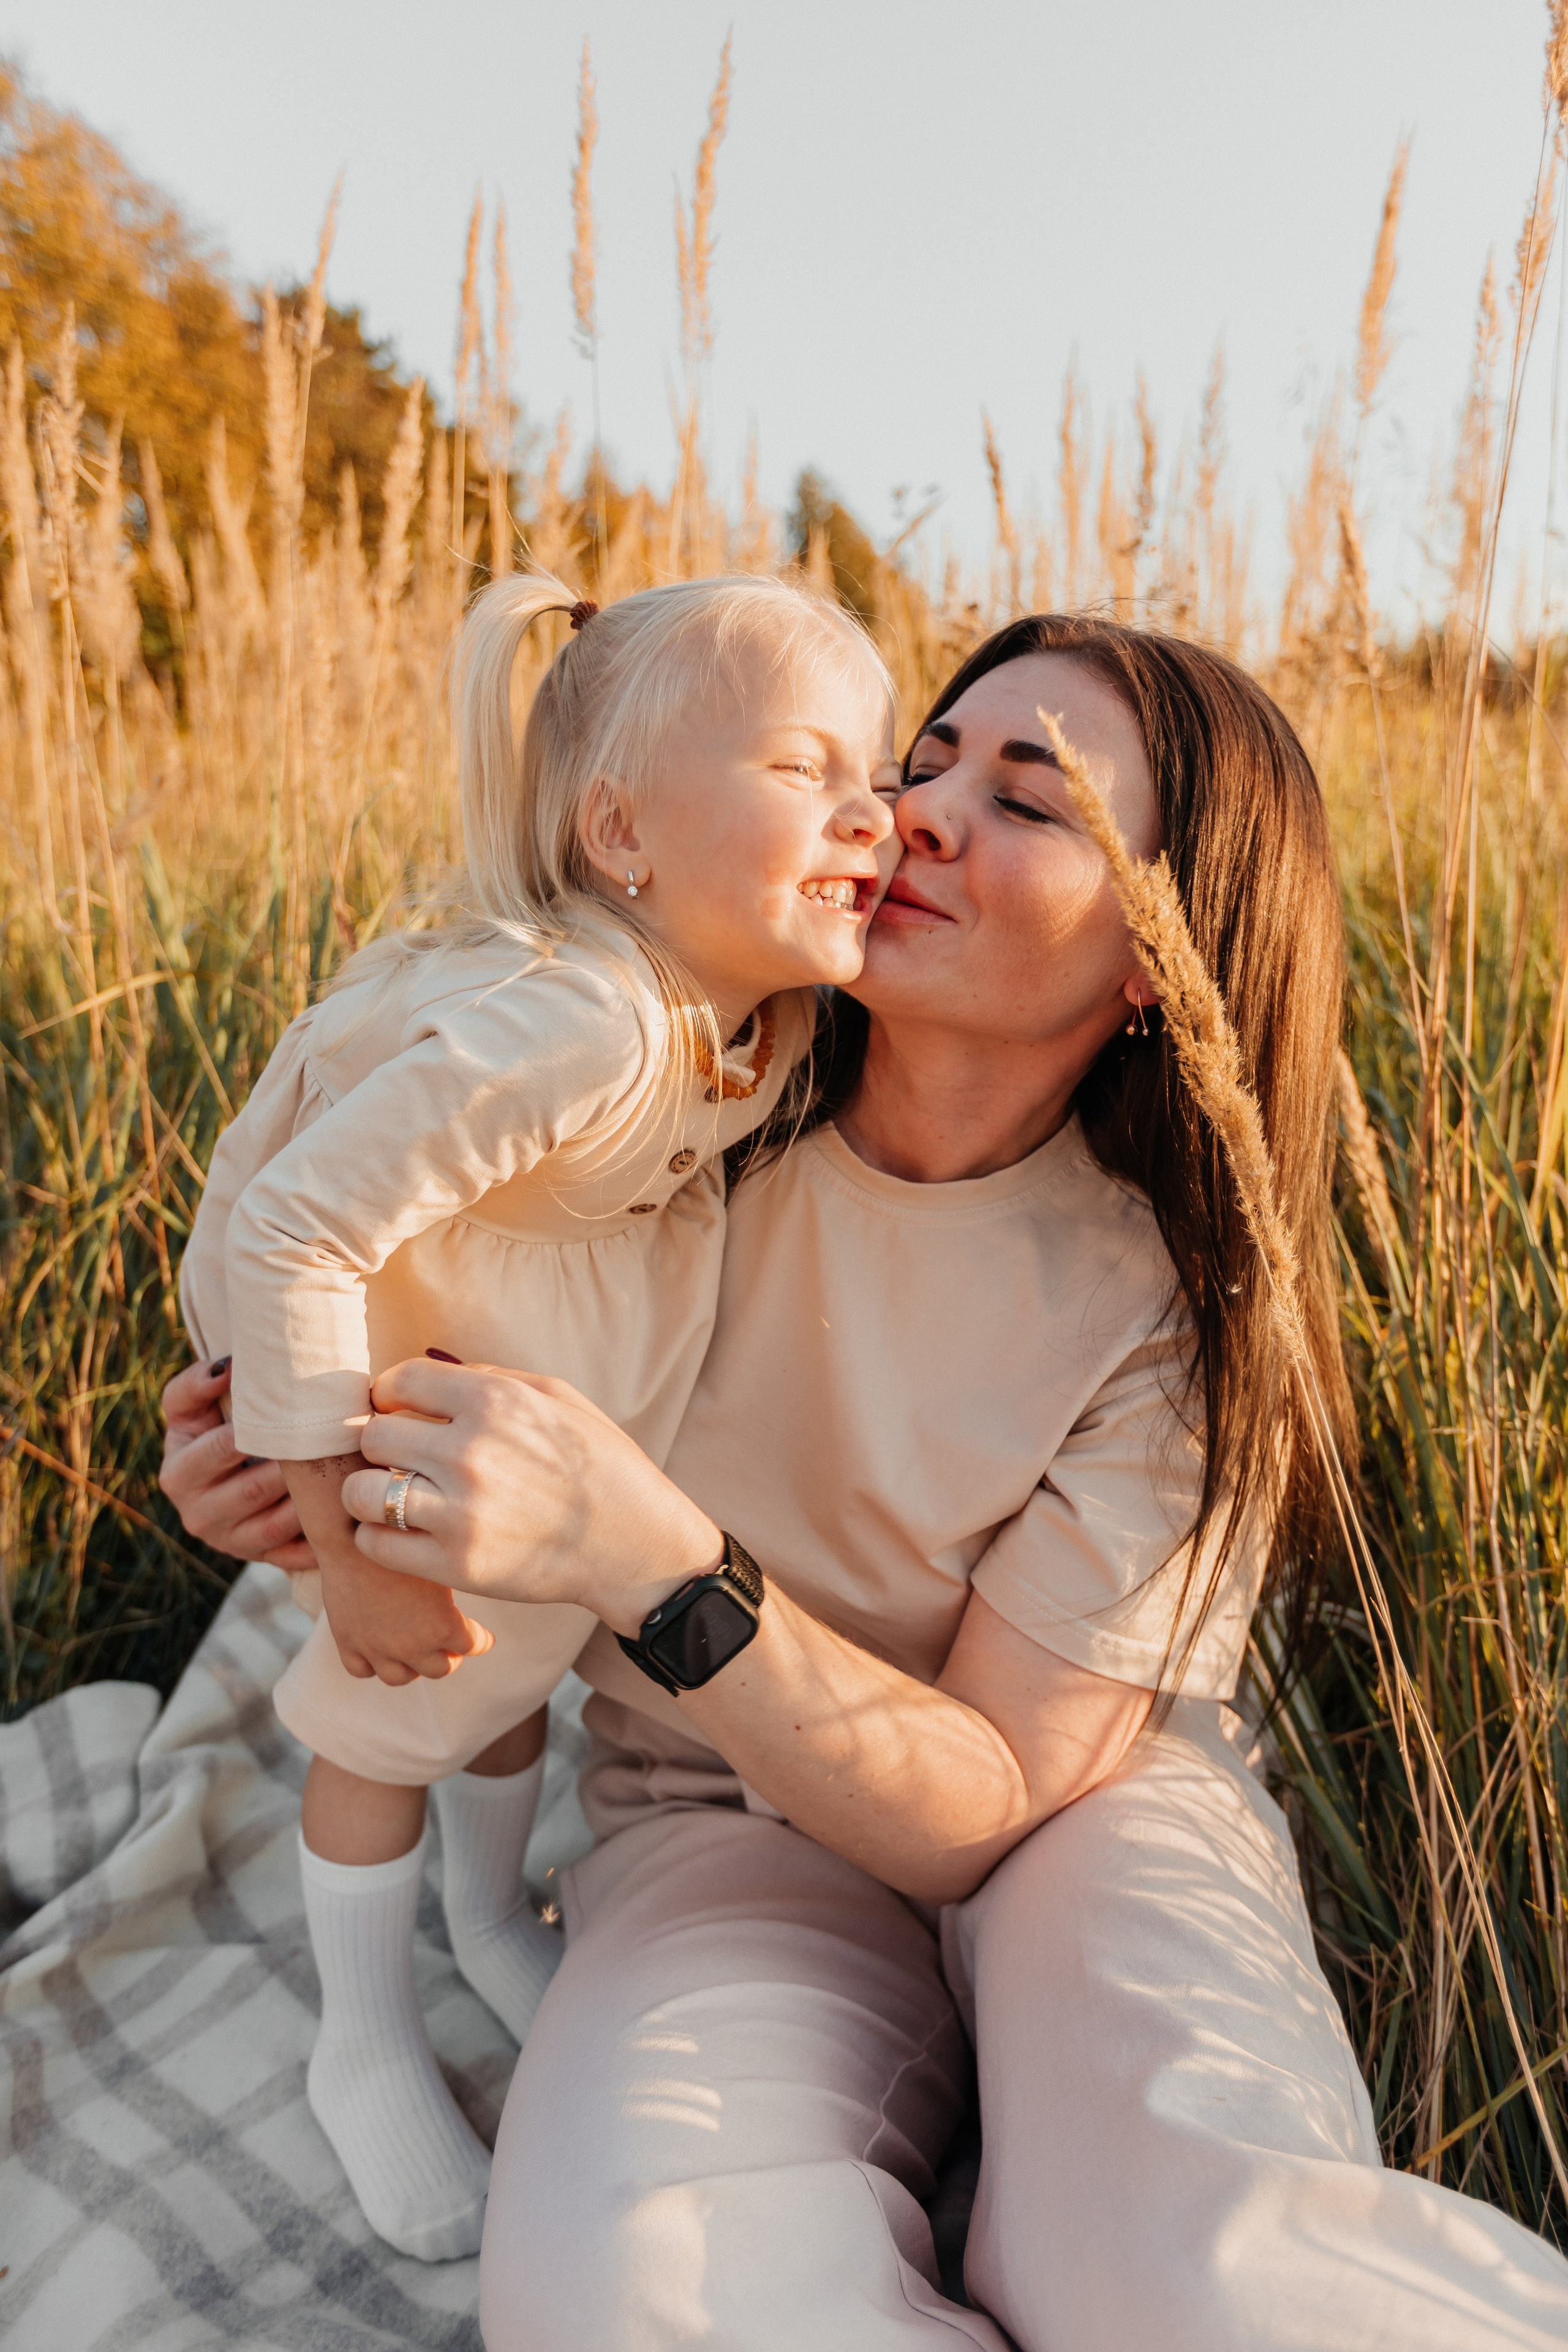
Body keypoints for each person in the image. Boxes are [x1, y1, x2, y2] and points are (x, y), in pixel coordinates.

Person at [165, 616, 1568, 2349]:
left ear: (1161, 955)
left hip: (1086, 1814)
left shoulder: (1175, 1308)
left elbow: (989, 1797)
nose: (918, 816)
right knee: (639, 2295)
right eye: (925, 763)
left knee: (1203, 2265)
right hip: (709, 1811)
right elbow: (356, 1284)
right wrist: (275, 1469)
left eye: (1029, 802)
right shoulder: (668, 1099)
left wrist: (648, 1555)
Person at [172, 567, 897, 2261]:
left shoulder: (765, 1008)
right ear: (622, 834)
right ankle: (361, 2039)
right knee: (386, 1713)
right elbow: (296, 1230)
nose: (871, 812)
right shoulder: (578, 1021)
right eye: (805, 769)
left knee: (513, 1662)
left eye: (878, 772)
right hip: (384, 1343)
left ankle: (490, 1911)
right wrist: (346, 1540)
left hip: (526, 1350)